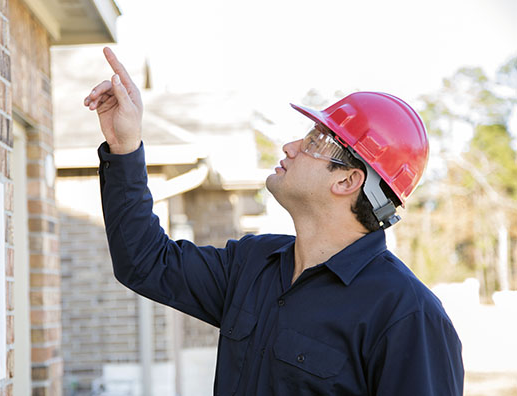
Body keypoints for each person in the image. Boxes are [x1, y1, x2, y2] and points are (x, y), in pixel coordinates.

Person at [84, 47, 464, 396]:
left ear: (347, 180)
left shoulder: (407, 315)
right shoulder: (253, 264)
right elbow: (145, 262)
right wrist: (125, 146)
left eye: (316, 140)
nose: (290, 146)